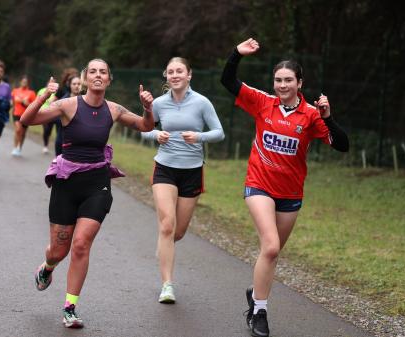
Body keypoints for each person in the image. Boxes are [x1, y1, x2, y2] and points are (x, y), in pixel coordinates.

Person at [221, 38, 349, 337]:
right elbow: (228, 81)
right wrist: (236, 54)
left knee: (271, 255)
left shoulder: (312, 115)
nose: (282, 85)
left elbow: (342, 145)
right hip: (259, 185)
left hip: (290, 194)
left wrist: (329, 118)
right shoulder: (263, 102)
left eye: (288, 80)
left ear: (299, 82)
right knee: (271, 246)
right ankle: (260, 312)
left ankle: (257, 292)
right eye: (278, 80)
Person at [21, 58, 154, 329]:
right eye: (92, 71)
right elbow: (27, 119)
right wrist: (45, 95)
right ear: (84, 79)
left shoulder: (114, 109)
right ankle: (47, 267)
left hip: (97, 183)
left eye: (102, 72)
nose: (97, 75)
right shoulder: (69, 105)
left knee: (81, 244)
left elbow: (146, 126)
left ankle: (70, 307)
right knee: (59, 251)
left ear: (108, 79)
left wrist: (148, 108)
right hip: (66, 183)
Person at [141, 57, 225, 304]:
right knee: (167, 224)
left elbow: (219, 132)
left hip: (192, 171)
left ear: (189, 75)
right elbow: (143, 128)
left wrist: (199, 137)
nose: (175, 75)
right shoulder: (158, 103)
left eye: (180, 71)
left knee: (177, 232)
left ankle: (164, 246)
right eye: (170, 72)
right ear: (166, 76)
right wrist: (157, 134)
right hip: (164, 168)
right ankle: (167, 285)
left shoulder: (202, 102)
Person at [10, 75, 36, 156]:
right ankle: (14, 147)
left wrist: (26, 103)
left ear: (28, 83)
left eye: (26, 82)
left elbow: (34, 106)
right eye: (23, 81)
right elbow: (11, 101)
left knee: (23, 133)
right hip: (16, 113)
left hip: (26, 115)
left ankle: (19, 148)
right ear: (20, 82)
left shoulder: (31, 93)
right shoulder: (15, 91)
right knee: (18, 130)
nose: (24, 83)